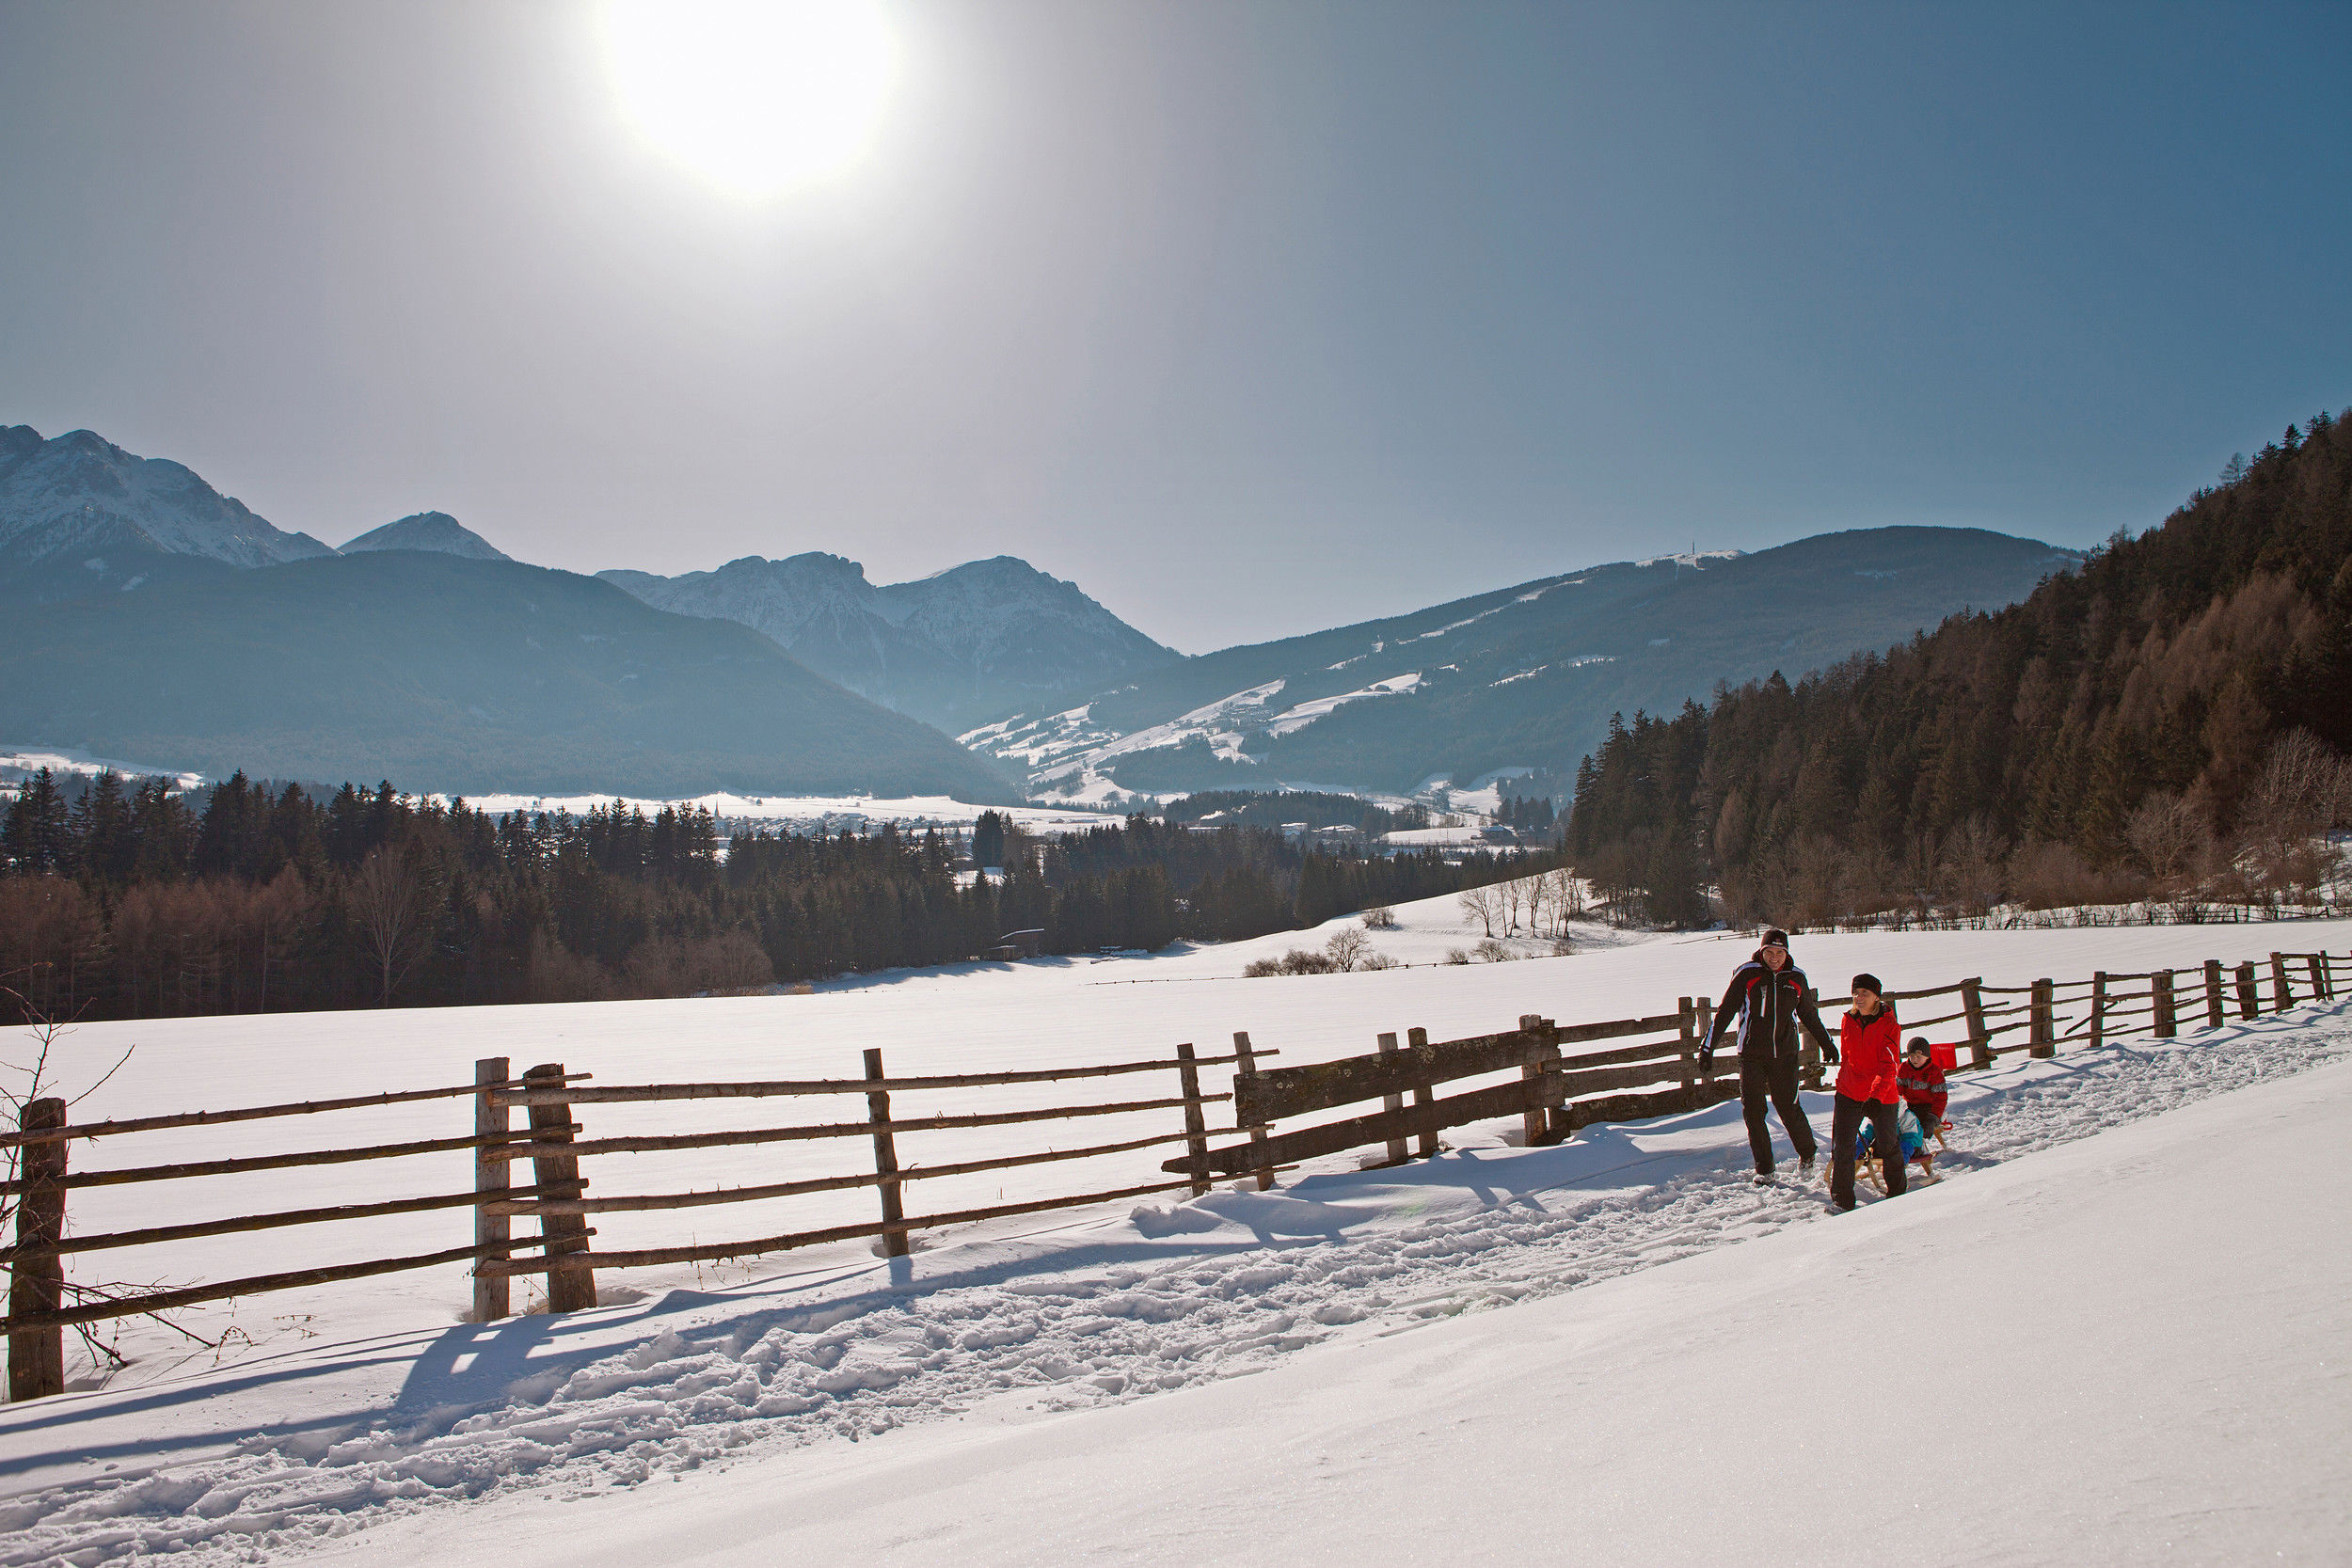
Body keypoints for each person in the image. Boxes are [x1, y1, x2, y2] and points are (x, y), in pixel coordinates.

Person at [1702, 927, 1835, 1184]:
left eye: (1780, 952)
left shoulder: (1796, 978)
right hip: (1751, 1054)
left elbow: (1809, 1014)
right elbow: (1726, 1011)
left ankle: (1807, 1154)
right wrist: (1708, 1047)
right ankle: (1765, 1169)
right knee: (1753, 1111)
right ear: (1761, 951)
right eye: (1769, 952)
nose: (1774, 957)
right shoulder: (1747, 974)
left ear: (1787, 953)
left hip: (1785, 1054)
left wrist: (1827, 1043)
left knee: (1788, 1106)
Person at [1830, 974, 1907, 1211]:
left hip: (1881, 1094)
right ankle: (1842, 1201)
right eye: (1856, 993)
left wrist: (1875, 1095)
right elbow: (1848, 1058)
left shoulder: (1889, 1025)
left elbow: (1889, 1065)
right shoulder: (1848, 1020)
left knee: (1888, 1145)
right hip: (1849, 1091)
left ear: (1876, 996)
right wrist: (1842, 1082)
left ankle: (1897, 1195)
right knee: (1842, 1147)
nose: (1859, 998)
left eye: (1865, 993)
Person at [1898, 1035, 1949, 1149]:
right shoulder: (1904, 1069)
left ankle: (1918, 1148)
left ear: (1927, 1057)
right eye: (1912, 1056)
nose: (1915, 1059)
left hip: (1928, 1108)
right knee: (1901, 1121)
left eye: (1918, 1057)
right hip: (1910, 1106)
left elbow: (1941, 1097)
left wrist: (1934, 1117)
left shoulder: (1934, 1072)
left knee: (1918, 1124)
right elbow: (1897, 1090)